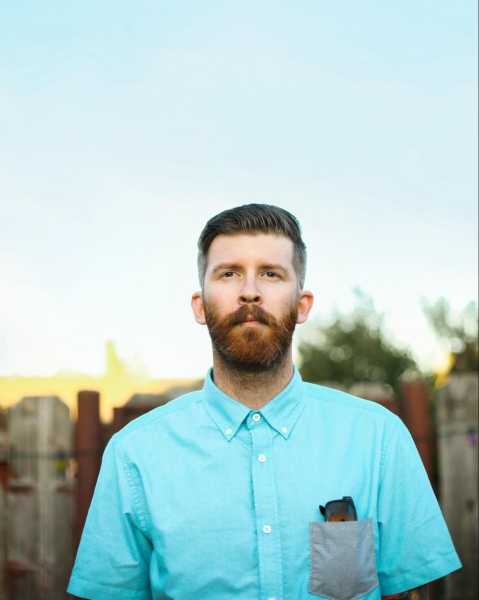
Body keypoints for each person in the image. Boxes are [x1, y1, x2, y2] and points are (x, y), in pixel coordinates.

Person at [68, 204, 460, 600]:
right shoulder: (135, 453)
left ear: (302, 304)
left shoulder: (379, 439)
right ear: (200, 306)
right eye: (229, 273)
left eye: (271, 274)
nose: (250, 290)